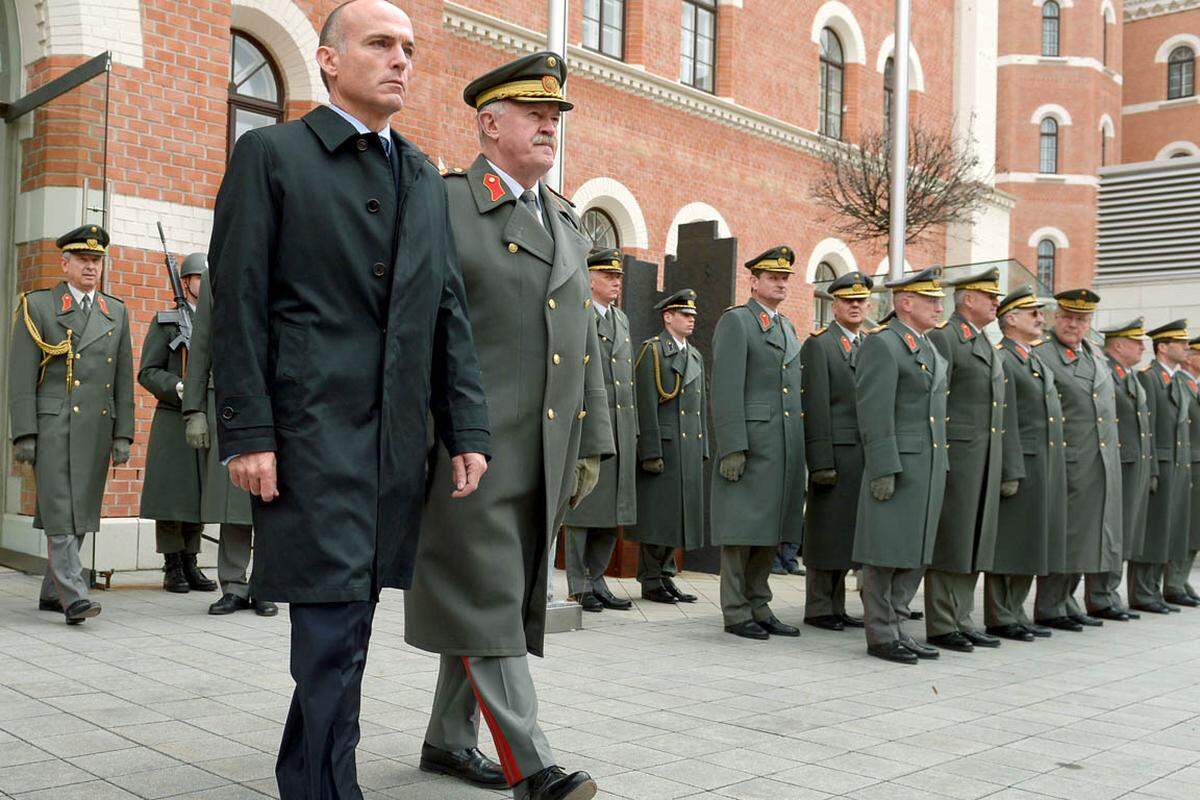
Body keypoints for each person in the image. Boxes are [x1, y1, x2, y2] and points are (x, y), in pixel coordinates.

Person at [209, 2, 491, 796]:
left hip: (394, 444)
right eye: (379, 44)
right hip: (307, 436)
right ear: (330, 61)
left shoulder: (425, 177)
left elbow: (447, 312)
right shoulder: (272, 156)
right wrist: (247, 432)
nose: (400, 59)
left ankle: (306, 775)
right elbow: (236, 303)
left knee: (349, 627)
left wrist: (466, 426)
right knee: (331, 632)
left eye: (408, 47)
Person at [403, 51, 613, 800]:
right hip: (468, 448)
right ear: (489, 124)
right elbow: (412, 327)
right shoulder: (444, 202)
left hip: (542, 451)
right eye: (535, 115)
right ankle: (534, 766)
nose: (550, 127)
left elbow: (581, 342)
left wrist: (594, 441)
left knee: (489, 593)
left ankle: (446, 741)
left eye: (555, 117)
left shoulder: (563, 216)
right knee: (488, 594)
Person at [8, 224, 133, 624]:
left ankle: (52, 590)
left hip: (96, 427)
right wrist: (24, 431)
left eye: (96, 261)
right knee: (61, 506)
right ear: (65, 264)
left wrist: (123, 433)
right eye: (82, 260)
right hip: (54, 424)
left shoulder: (115, 311)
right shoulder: (40, 306)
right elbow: (21, 374)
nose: (91, 267)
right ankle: (74, 594)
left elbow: (122, 381)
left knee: (80, 509)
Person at [853, 267, 948, 665]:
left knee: (914, 550)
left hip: (927, 464)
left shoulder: (927, 347)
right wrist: (883, 468)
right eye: (931, 300)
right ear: (906, 303)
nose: (939, 306)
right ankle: (880, 632)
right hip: (899, 464)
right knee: (885, 551)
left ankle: (898, 624)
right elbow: (875, 413)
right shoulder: (884, 345)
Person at [925, 267, 1023, 652]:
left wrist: (1006, 464)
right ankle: (942, 623)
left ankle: (961, 617)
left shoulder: (984, 343)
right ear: (967, 299)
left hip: (984, 456)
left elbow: (1001, 410)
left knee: (974, 539)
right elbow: (936, 399)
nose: (997, 303)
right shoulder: (945, 338)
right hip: (958, 454)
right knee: (952, 540)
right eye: (990, 296)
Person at [710, 247, 805, 640]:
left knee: (770, 528)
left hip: (781, 446)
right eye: (772, 277)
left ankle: (759, 603)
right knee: (741, 531)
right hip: (751, 444)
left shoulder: (786, 327)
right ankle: (736, 610)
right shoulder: (738, 322)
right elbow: (726, 388)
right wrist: (732, 445)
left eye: (785, 278)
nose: (781, 283)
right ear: (753, 281)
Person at [181, 258, 277, 616]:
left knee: (273, 500)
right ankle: (234, 585)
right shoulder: (217, 272)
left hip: (282, 400)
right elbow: (202, 340)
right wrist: (194, 411)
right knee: (235, 501)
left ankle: (267, 582)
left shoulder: (293, 258)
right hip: (232, 400)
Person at [1033, 289, 1122, 630]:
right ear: (1056, 317)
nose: (1074, 325)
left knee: (1087, 536)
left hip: (1097, 461)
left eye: (1081, 319)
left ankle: (1067, 600)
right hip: (1068, 459)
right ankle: (1050, 605)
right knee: (1065, 535)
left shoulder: (1095, 356)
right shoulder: (1044, 354)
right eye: (1068, 317)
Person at [987, 287, 1065, 640]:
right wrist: (1009, 468)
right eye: (1032, 312)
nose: (1040, 318)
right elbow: (1005, 421)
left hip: (1041, 462)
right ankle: (1000, 615)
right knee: (1011, 541)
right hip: (1020, 461)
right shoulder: (1002, 358)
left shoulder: (1032, 358)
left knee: (1031, 540)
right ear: (1011, 319)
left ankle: (1015, 610)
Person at [138, 253, 217, 595]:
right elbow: (148, 371)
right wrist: (178, 387)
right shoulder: (167, 321)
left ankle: (191, 561)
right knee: (172, 494)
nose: (204, 283)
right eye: (198, 278)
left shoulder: (216, 320)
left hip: (205, 414)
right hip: (173, 417)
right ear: (186, 282)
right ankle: (172, 564)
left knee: (197, 494)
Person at [563, 249, 636, 614]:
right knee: (584, 508)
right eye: (609, 276)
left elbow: (627, 382)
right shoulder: (580, 310)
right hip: (591, 421)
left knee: (612, 513)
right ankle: (579, 583)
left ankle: (598, 579)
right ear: (590, 278)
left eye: (618, 277)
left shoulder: (620, 319)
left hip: (620, 426)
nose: (616, 282)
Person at [800, 271, 874, 632]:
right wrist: (821, 460)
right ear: (835, 305)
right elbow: (816, 406)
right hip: (834, 455)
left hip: (861, 456)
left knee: (847, 534)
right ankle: (818, 606)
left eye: (860, 301)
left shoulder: (866, 345)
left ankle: (836, 605)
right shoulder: (820, 345)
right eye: (848, 301)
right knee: (826, 532)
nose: (856, 306)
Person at [626, 289, 706, 606]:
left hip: (686, 448)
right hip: (664, 446)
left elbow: (700, 407)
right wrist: (650, 451)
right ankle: (651, 579)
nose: (690, 320)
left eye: (693, 316)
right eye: (684, 315)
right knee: (658, 518)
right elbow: (645, 405)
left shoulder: (694, 355)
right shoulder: (653, 352)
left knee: (677, 519)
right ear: (667, 316)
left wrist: (703, 449)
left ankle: (666, 576)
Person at [1131, 320, 1192, 613]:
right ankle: (1142, 592)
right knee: (1154, 530)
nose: (1187, 347)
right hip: (1161, 463)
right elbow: (1149, 429)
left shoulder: (1176, 379)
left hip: (1177, 464)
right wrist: (1152, 468)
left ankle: (1154, 589)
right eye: (1181, 343)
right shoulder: (1149, 377)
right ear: (1163, 347)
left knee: (1168, 529)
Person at [1095, 318, 1154, 619]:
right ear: (1118, 345)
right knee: (1110, 531)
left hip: (1132, 463)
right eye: (1136, 341)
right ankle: (1100, 595)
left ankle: (1109, 592)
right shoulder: (1105, 371)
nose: (1143, 347)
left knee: (1124, 532)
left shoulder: (1129, 375)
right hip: (1116, 461)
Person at [1164, 336, 1200, 604]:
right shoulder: (1178, 384)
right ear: (1190, 358)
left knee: (1195, 528)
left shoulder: (1194, 386)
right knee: (1186, 526)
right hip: (1190, 462)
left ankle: (1181, 578)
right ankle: (1173, 582)